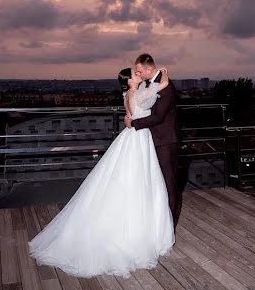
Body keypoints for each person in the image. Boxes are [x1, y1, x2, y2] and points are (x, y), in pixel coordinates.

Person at [28, 67, 175, 278]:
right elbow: (158, 90)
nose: (139, 75)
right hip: (138, 139)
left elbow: (151, 92)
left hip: (134, 137)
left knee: (131, 180)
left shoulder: (129, 94)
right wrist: (163, 74)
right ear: (129, 82)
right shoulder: (137, 94)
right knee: (137, 180)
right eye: (135, 74)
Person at [124, 53, 181, 229]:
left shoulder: (165, 85)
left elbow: (158, 117)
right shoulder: (151, 83)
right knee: (157, 182)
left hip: (165, 140)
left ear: (149, 69)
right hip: (151, 140)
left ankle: (170, 224)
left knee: (168, 182)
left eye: (140, 71)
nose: (138, 74)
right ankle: (158, 221)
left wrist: (134, 123)